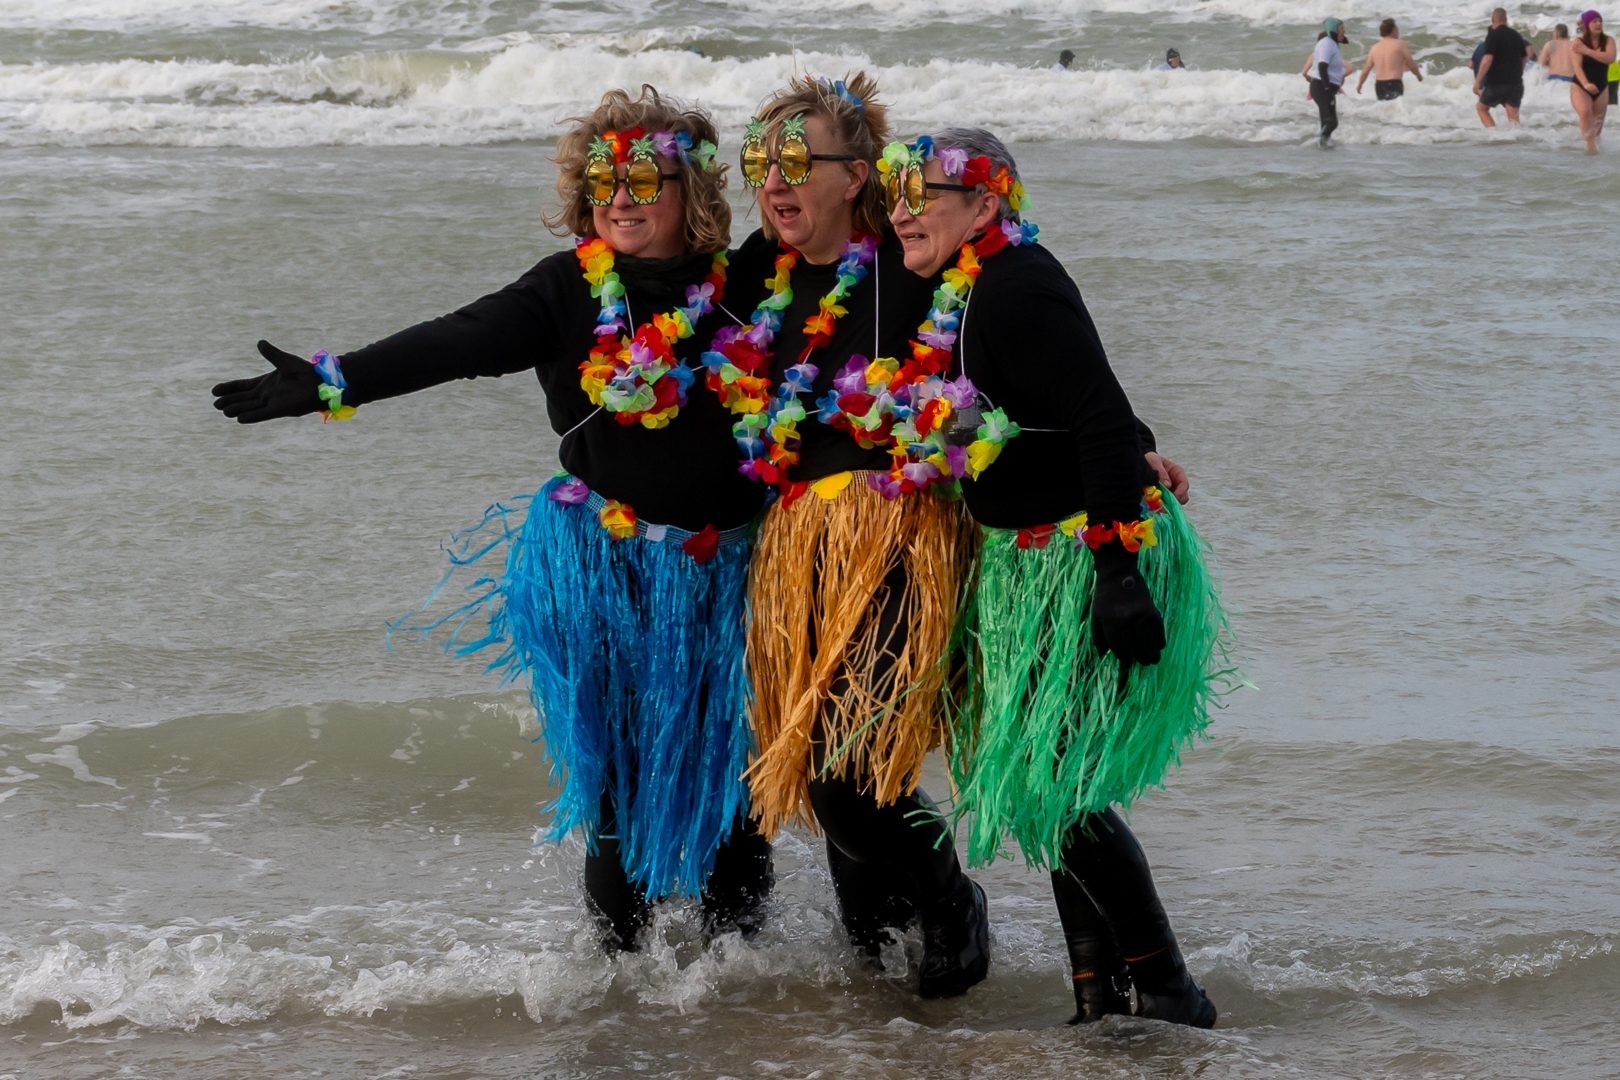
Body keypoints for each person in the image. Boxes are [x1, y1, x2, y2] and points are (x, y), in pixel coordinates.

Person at [209, 87, 776, 953]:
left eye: (641, 179)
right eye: (602, 180)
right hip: (606, 568)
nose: (618, 197)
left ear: (690, 188)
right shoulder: (565, 291)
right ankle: (619, 985)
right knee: (621, 779)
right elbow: (455, 342)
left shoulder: (755, 287)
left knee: (734, 780)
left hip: (733, 572)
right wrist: (333, 381)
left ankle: (749, 986)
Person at [882, 127, 1229, 1027]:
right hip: (1029, 561)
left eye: (922, 195)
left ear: (986, 204)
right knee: (1055, 781)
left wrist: (1117, 569)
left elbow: (1098, 413)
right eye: (895, 194)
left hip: (1078, 557)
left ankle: (1167, 988)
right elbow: (1077, 401)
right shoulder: (971, 287)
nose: (902, 212)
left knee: (1061, 786)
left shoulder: (1015, 287)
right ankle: (1097, 995)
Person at [716, 72, 991, 999]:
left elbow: (1021, 345)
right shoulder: (757, 277)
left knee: (847, 771)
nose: (773, 181)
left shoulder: (914, 268)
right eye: (760, 162)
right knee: (833, 769)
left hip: (896, 535)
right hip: (795, 547)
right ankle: (884, 1001)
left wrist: (1130, 441)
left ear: (856, 174)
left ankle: (951, 898)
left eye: (797, 161)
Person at [1473, 8, 1533, 128]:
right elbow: (1524, 58)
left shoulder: (1493, 35)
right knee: (1514, 122)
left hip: (1496, 84)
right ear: (1505, 19)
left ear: (1493, 20)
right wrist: (1518, 73)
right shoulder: (1516, 35)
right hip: (1515, 84)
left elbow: (1487, 59)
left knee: (1482, 108)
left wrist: (1478, 81)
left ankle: (1493, 133)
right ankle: (1515, 138)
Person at [1571, 11, 1615, 152]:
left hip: (1602, 87)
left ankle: (1592, 155)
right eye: (1594, 21)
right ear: (1586, 24)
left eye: (1600, 21)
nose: (1598, 24)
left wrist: (1588, 51)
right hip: (1580, 85)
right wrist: (1586, 84)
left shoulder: (1608, 40)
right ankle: (1590, 150)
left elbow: (1610, 58)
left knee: (1596, 128)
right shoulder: (1578, 42)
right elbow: (1577, 67)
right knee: (1585, 112)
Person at [1302, 18, 1350, 146]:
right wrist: (1327, 88)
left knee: (1326, 121)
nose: (1344, 31)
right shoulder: (1326, 43)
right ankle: (1320, 143)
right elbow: (1322, 66)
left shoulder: (1332, 44)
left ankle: (1324, 146)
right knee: (1331, 121)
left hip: (1324, 87)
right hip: (1321, 87)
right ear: (1333, 30)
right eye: (1341, 29)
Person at [1356, 18, 1423, 98]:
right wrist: (1418, 76)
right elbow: (1411, 64)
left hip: (1379, 85)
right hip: (1394, 83)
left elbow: (1366, 70)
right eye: (1397, 29)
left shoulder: (1374, 47)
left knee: (1383, 105)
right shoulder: (1400, 44)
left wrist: (1360, 85)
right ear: (1393, 31)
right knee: (1395, 105)